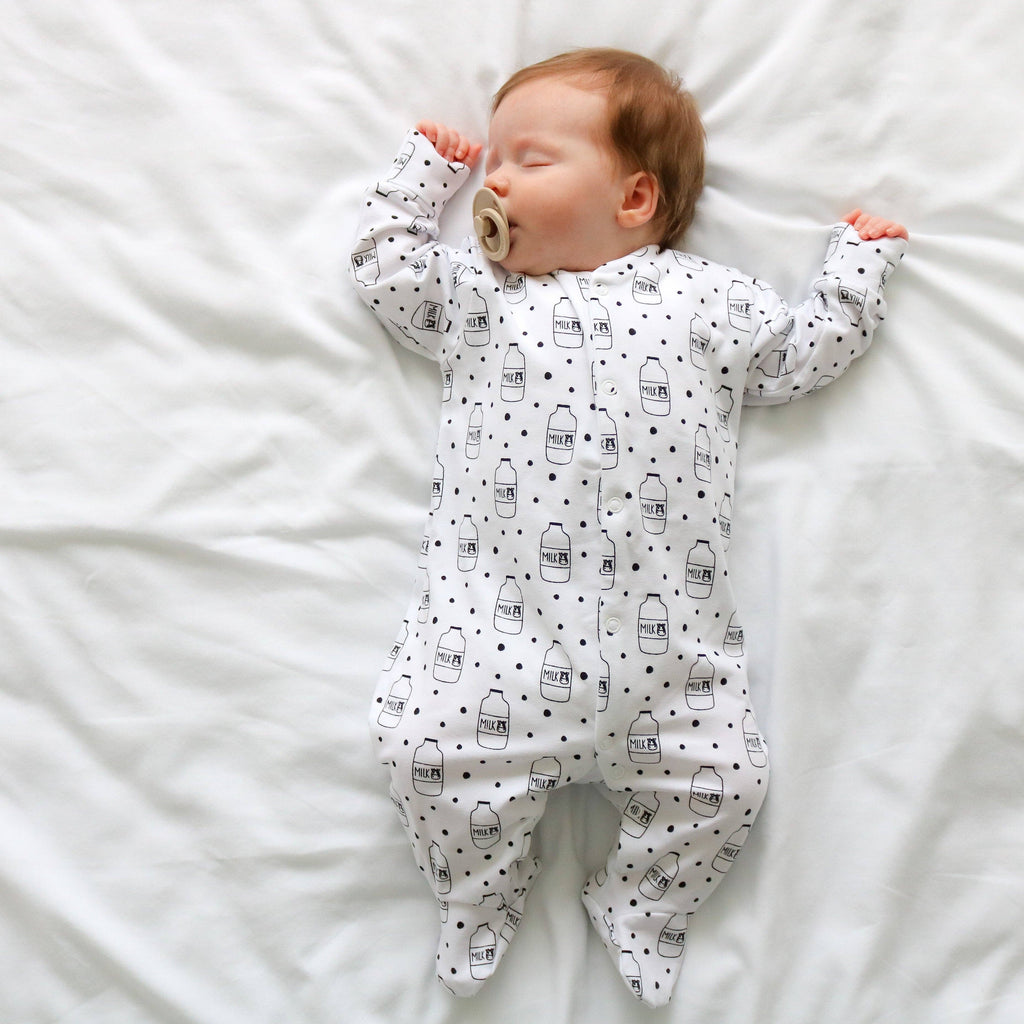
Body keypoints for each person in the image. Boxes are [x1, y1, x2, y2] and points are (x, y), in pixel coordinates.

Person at [348, 48, 907, 1008]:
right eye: (492, 168)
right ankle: (479, 886)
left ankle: (644, 901)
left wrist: (855, 272)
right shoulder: (484, 302)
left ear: (636, 197)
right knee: (419, 752)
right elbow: (384, 271)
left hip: (669, 677)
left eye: (529, 160)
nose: (497, 180)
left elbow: (796, 355)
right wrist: (419, 179)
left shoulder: (708, 301)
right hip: (493, 654)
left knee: (727, 787)